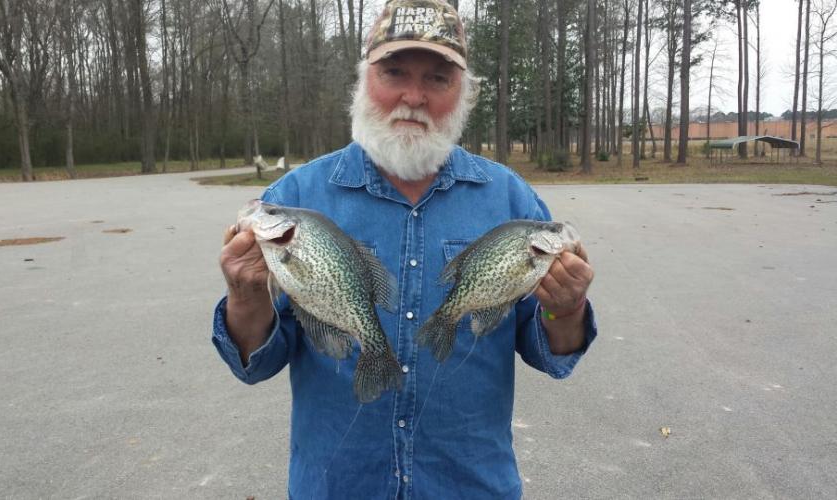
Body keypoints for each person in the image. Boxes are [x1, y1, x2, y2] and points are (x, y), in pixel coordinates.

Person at [213, 0, 597, 497]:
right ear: (364, 79)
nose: (413, 96)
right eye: (394, 72)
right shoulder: (296, 197)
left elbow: (550, 350)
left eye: (438, 78)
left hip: (470, 486)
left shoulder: (510, 199)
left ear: (464, 94)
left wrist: (566, 309)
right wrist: (246, 297)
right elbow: (256, 363)